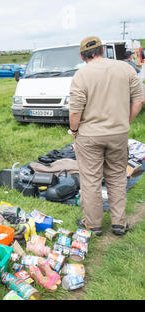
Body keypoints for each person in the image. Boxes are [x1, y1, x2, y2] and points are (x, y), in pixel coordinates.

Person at [69, 36, 144, 236]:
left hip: (89, 136)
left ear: (82, 55)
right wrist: (124, 122)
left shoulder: (81, 75)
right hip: (118, 134)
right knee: (118, 177)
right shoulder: (126, 69)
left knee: (91, 180)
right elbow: (139, 100)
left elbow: (75, 112)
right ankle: (119, 223)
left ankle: (93, 225)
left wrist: (75, 131)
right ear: (103, 50)